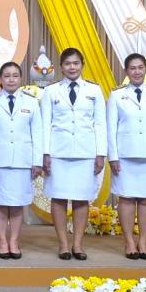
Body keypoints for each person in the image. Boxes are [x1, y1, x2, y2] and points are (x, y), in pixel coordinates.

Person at [41, 48, 106, 261]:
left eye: (76, 63)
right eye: (68, 63)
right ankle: (63, 244)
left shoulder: (94, 90)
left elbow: (100, 124)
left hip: (86, 153)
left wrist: (100, 153)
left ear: (82, 65)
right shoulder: (51, 91)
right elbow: (45, 124)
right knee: (58, 198)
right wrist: (45, 153)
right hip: (58, 153)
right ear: (61, 66)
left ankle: (77, 244)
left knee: (81, 199)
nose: (72, 67)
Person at [106, 52, 146, 261]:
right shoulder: (117, 95)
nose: (137, 71)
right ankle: (129, 242)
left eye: (140, 67)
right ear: (126, 71)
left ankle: (143, 241)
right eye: (132, 68)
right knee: (126, 198)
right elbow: (110, 128)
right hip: (125, 156)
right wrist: (113, 157)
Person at [0, 62, 43, 260]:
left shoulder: (31, 102)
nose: (11, 79)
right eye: (6, 75)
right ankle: (2, 241)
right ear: (0, 79)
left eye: (15, 75)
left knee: (17, 204)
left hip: (23, 161)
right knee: (0, 203)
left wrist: (37, 161)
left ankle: (14, 241)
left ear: (21, 78)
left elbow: (37, 133)